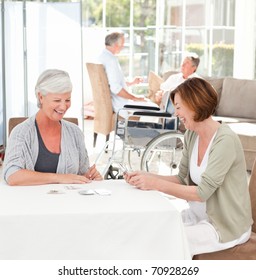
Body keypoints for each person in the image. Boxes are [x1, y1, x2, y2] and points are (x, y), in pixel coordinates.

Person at [124, 77, 252, 257]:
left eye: (178, 107)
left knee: (166, 240)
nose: (176, 114)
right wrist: (145, 176)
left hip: (224, 225)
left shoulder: (225, 140)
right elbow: (181, 178)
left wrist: (154, 184)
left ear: (194, 104)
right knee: (151, 227)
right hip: (197, 216)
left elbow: (202, 193)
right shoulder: (192, 135)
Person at [3, 69, 102, 186]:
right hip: (31, 203)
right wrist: (60, 178)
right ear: (41, 97)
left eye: (67, 100)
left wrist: (90, 176)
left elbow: (82, 174)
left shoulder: (75, 133)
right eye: (57, 100)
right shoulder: (21, 132)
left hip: (69, 202)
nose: (63, 106)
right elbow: (12, 175)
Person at [97, 32, 157, 117]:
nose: (123, 47)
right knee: (155, 108)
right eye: (122, 44)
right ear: (116, 44)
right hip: (122, 105)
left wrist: (132, 83)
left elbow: (111, 82)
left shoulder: (102, 57)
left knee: (148, 103)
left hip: (119, 102)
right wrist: (135, 98)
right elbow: (116, 88)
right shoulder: (111, 60)